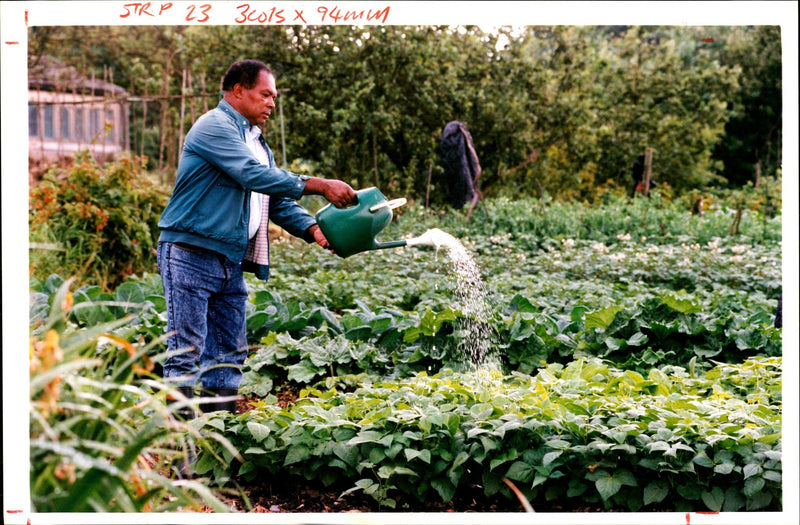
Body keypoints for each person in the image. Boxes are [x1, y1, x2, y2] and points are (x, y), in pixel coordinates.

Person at [157, 59, 356, 416]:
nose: (271, 103)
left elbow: (273, 200)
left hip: (229, 258)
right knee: (185, 351)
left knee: (227, 351)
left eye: (273, 96)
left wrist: (313, 229)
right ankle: (180, 454)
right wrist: (320, 185)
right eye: (265, 94)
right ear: (238, 91)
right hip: (189, 252)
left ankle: (215, 441)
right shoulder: (214, 126)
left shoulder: (257, 142)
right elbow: (251, 176)